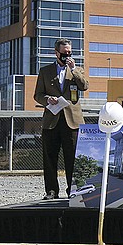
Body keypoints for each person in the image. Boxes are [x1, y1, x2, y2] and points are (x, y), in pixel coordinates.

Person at [34, 38, 89, 200]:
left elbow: (84, 86)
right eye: (64, 53)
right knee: (50, 158)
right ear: (56, 53)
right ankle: (51, 191)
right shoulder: (45, 71)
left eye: (70, 53)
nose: (67, 55)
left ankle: (73, 190)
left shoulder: (77, 70)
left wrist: (74, 69)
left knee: (72, 158)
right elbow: (37, 95)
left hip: (72, 122)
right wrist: (47, 99)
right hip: (51, 120)